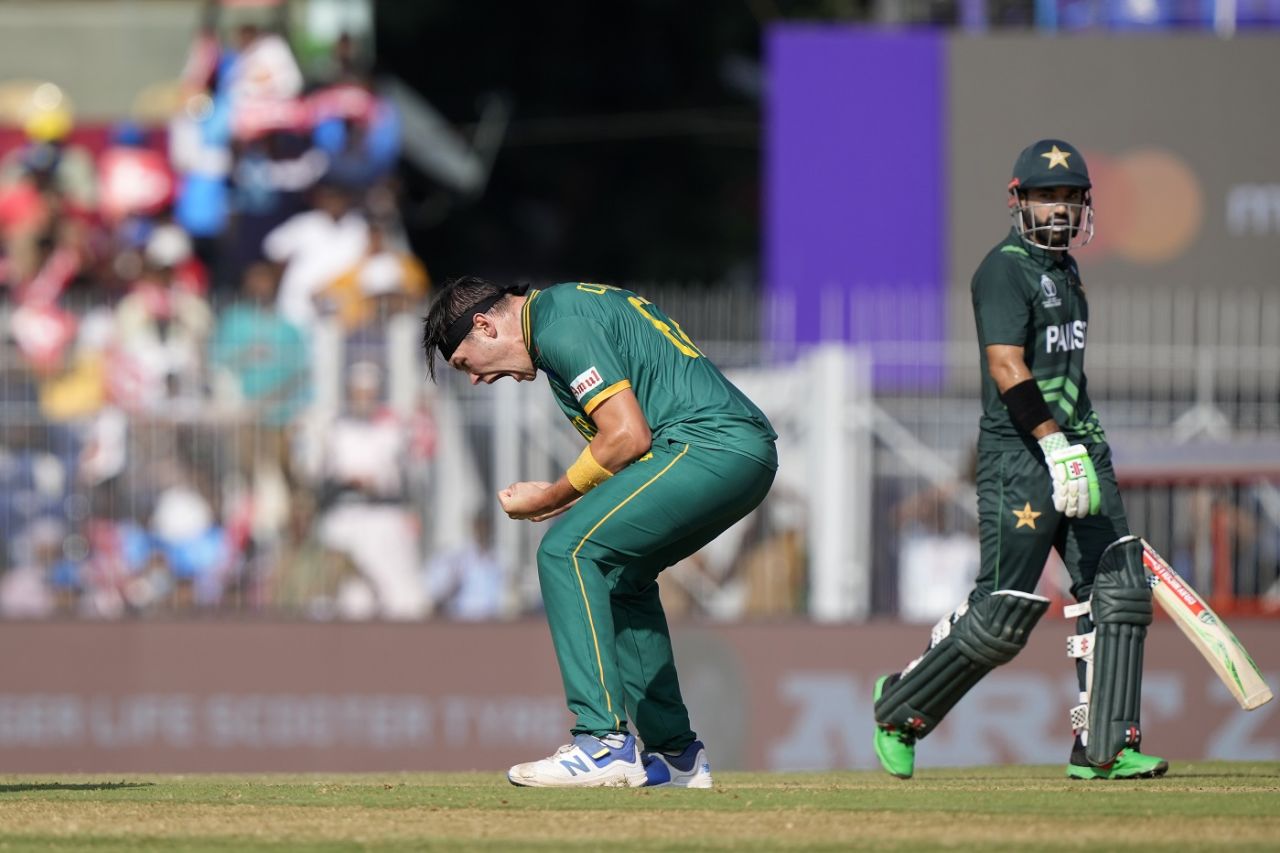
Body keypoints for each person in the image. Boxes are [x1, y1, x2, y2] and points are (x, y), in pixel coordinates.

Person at [871, 139, 1168, 781]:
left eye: (1069, 197)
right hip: (1020, 458)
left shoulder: (1067, 273)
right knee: (1003, 613)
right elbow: (1008, 366)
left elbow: (1067, 374)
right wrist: (1054, 447)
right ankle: (900, 708)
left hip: (1078, 449)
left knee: (1117, 591)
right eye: (1046, 196)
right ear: (1018, 201)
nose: (1058, 210)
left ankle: (1105, 747)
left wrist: (1084, 446)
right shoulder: (1002, 270)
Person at [422, 277, 777, 788]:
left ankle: (603, 743)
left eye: (464, 364)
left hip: (709, 447)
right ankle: (677, 756)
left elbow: (628, 437)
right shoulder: (565, 314)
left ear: (484, 325)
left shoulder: (558, 326)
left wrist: (551, 498)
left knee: (565, 552)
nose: (475, 380)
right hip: (737, 452)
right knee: (620, 577)